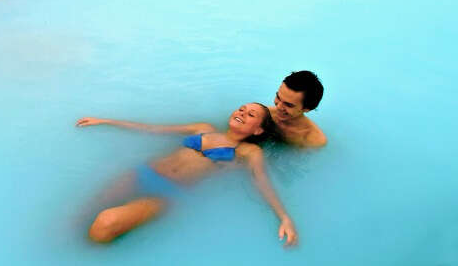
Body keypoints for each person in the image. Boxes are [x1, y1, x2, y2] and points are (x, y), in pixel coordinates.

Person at [76, 103, 298, 245]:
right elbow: (154, 129)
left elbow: (261, 182)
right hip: (141, 174)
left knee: (106, 222)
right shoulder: (203, 127)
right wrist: (106, 121)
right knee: (83, 213)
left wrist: (284, 217)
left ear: (258, 130)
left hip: (165, 195)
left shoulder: (248, 151)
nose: (242, 113)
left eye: (251, 115)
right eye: (241, 109)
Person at [269, 71, 326, 147]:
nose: (279, 107)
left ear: (307, 109)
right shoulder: (265, 114)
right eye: (278, 97)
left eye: (288, 105)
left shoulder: (312, 140)